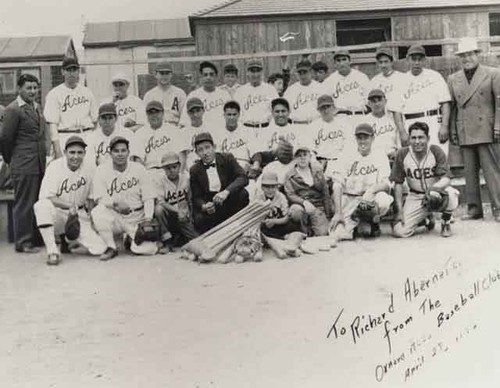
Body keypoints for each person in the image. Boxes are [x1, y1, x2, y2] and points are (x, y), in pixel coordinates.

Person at [447, 37, 500, 222]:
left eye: (470, 54)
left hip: (487, 129)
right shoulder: (453, 78)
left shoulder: (493, 73)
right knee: (469, 173)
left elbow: (499, 103)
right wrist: (453, 129)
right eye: (463, 55)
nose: (466, 58)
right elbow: (453, 107)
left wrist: (498, 126)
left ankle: (498, 208)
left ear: (477, 54)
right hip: (465, 129)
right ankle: (474, 209)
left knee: (492, 171)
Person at [34, 136, 106, 265]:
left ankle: (69, 240)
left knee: (100, 249)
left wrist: (91, 220)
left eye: (79, 152)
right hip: (57, 213)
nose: (76, 156)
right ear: (65, 152)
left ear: (84, 153)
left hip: (78, 215)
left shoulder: (90, 168)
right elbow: (48, 196)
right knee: (42, 206)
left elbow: (91, 198)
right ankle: (52, 251)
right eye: (72, 152)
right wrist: (69, 205)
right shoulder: (55, 166)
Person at [0, 74, 49, 253]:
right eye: (28, 88)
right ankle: (23, 242)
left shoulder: (37, 107)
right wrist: (11, 160)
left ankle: (35, 238)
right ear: (19, 89)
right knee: (24, 204)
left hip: (38, 163)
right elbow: (5, 138)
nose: (33, 91)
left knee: (37, 202)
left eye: (35, 88)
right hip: (23, 163)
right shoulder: (13, 109)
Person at [91, 136, 158, 260]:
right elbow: (99, 198)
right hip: (116, 216)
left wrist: (148, 219)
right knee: (97, 212)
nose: (120, 154)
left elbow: (148, 197)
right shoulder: (102, 170)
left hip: (137, 217)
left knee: (147, 250)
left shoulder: (139, 169)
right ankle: (111, 247)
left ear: (128, 152)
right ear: (110, 153)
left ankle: (129, 239)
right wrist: (115, 204)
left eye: (123, 150)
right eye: (116, 151)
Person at [391, 122, 459, 238]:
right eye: (413, 138)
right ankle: (424, 219)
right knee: (399, 231)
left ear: (428, 138)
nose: (417, 141)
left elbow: (446, 178)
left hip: (436, 193)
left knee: (452, 194)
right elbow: (397, 183)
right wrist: (400, 210)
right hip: (415, 196)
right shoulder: (402, 154)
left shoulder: (435, 151)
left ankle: (445, 221)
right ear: (409, 139)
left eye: (421, 137)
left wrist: (433, 190)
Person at [330, 123, 393, 240]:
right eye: (359, 138)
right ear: (356, 139)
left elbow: (387, 184)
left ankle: (372, 221)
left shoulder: (379, 154)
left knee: (383, 200)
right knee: (338, 235)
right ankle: (357, 225)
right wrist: (338, 212)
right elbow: (337, 184)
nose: (363, 141)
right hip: (350, 197)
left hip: (370, 198)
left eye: (366, 137)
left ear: (373, 138)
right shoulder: (346, 155)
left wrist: (371, 191)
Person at [390, 45, 451, 153]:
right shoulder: (400, 81)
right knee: (412, 162)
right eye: (414, 59)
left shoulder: (435, 76)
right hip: (410, 123)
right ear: (408, 59)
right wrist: (402, 132)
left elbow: (445, 103)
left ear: (424, 60)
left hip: (433, 121)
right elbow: (396, 111)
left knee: (437, 159)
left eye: (420, 59)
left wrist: (444, 126)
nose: (417, 62)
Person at [189, 132, 249, 233]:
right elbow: (196, 197)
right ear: (196, 153)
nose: (205, 152)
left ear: (214, 147)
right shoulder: (195, 170)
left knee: (243, 194)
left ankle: (239, 227)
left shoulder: (227, 158)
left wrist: (226, 192)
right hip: (212, 205)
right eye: (200, 150)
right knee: (199, 220)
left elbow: (243, 177)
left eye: (207, 147)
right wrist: (204, 206)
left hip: (229, 199)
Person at [44, 57, 98, 159]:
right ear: (62, 72)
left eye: (74, 70)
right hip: (65, 136)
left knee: (89, 169)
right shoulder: (54, 94)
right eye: (68, 70)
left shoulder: (87, 92)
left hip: (86, 134)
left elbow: (95, 120)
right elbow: (52, 125)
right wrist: (57, 150)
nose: (71, 73)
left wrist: (93, 139)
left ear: (78, 72)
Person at [153, 152, 198, 253]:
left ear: (179, 166)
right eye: (168, 168)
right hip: (169, 216)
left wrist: (190, 216)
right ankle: (167, 242)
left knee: (196, 239)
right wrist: (177, 211)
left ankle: (179, 238)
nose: (172, 170)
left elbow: (190, 200)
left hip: (184, 216)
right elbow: (161, 202)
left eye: (174, 167)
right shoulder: (160, 181)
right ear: (164, 169)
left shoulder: (186, 178)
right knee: (158, 209)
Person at [284, 145, 333, 237]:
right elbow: (290, 194)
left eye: (305, 155)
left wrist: (328, 215)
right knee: (295, 212)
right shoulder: (289, 175)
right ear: (294, 159)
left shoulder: (317, 171)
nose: (302, 158)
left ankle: (313, 227)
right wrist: (303, 202)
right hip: (301, 205)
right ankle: (303, 230)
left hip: (317, 206)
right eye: (299, 156)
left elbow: (325, 192)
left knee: (322, 233)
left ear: (310, 157)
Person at [248, 98, 302, 176]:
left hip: (293, 165)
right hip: (272, 165)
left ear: (289, 112)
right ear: (272, 113)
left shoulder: (297, 130)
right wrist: (256, 164)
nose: (280, 114)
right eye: (277, 111)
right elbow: (257, 153)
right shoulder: (265, 131)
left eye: (283, 111)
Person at [135, 101, 189, 170]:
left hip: (171, 171)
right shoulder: (140, 133)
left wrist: (178, 174)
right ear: (147, 115)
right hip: (150, 172)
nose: (154, 115)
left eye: (157, 112)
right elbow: (138, 161)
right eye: (150, 113)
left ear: (163, 113)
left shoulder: (174, 130)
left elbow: (182, 156)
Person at [307, 94, 353, 170]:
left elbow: (349, 145)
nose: (326, 110)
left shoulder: (344, 124)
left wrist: (343, 160)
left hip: (340, 161)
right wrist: (315, 163)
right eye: (322, 108)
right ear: (318, 110)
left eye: (328, 106)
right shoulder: (313, 127)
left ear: (334, 108)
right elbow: (310, 149)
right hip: (321, 162)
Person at [180, 61, 231, 128]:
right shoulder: (194, 95)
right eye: (205, 75)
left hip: (220, 132)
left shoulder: (224, 95)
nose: (208, 77)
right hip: (200, 134)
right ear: (201, 77)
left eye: (211, 74)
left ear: (216, 77)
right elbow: (184, 120)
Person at [322, 49, 370, 115]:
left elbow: (369, 99)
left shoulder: (361, 77)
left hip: (359, 114)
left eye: (344, 59)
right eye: (338, 60)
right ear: (335, 64)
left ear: (350, 61)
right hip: (340, 117)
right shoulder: (328, 81)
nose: (341, 63)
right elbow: (326, 103)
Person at [235, 58, 279, 128]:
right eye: (252, 71)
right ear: (247, 73)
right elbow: (236, 113)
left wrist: (271, 127)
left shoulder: (270, 89)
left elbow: (276, 110)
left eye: (257, 71)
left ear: (261, 72)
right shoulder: (240, 91)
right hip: (246, 128)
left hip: (265, 127)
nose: (255, 74)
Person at [257, 171, 301, 239]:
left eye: (273, 187)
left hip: (278, 223)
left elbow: (286, 218)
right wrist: (264, 222)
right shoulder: (258, 197)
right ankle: (280, 237)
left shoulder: (281, 197)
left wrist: (275, 221)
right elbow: (254, 217)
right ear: (262, 187)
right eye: (267, 187)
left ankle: (281, 237)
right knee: (261, 230)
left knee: (292, 225)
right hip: (264, 224)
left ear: (277, 187)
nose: (270, 190)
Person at [214, 100, 253, 169]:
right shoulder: (217, 133)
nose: (231, 118)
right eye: (229, 114)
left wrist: (255, 164)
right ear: (224, 115)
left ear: (239, 115)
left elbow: (255, 152)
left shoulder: (247, 131)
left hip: (242, 165)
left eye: (234, 114)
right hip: (224, 167)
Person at [365, 89, 401, 160]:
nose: (377, 104)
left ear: (385, 101)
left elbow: (399, 139)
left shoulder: (393, 117)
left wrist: (398, 152)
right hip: (374, 158)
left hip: (392, 157)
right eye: (373, 101)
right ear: (369, 104)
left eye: (379, 100)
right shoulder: (364, 121)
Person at [284, 60, 321, 124]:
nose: (302, 76)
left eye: (305, 72)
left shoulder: (320, 87)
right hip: (297, 125)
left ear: (311, 72)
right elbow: (285, 110)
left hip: (315, 124)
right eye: (300, 73)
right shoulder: (291, 90)